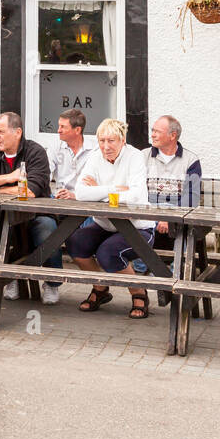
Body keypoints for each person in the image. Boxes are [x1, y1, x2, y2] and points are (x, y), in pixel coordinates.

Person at [0, 111, 61, 305]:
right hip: (1, 216)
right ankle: (7, 276)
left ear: (17, 132)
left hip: (35, 215)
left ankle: (52, 283)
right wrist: (9, 178)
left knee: (48, 233)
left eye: (0, 131)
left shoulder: (35, 152)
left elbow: (31, 190)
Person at [67, 117, 153, 318]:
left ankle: (139, 293)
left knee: (108, 253)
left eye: (111, 141)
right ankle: (100, 288)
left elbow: (134, 196)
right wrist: (113, 189)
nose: (106, 146)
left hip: (138, 227)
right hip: (105, 225)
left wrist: (96, 190)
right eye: (101, 141)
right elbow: (80, 193)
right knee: (75, 242)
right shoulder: (96, 157)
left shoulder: (135, 157)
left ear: (122, 140)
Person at [143, 115, 201, 211]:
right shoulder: (143, 156)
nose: (152, 135)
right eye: (152, 130)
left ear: (173, 135)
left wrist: (169, 218)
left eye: (157, 132)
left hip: (177, 219)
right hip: (147, 215)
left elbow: (192, 197)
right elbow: (137, 190)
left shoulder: (191, 160)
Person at [49, 108, 97, 198]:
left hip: (87, 200)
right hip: (60, 198)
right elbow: (45, 174)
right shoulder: (54, 147)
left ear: (77, 130)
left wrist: (75, 195)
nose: (58, 130)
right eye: (59, 126)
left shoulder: (95, 149)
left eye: (63, 127)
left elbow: (98, 182)